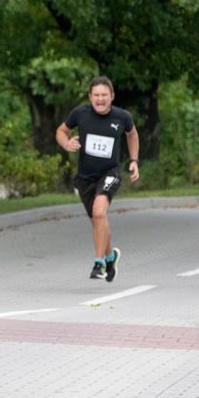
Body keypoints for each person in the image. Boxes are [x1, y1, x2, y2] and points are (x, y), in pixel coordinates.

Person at [56, 76, 139, 282]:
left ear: (112, 96)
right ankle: (111, 256)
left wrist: (134, 160)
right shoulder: (80, 114)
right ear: (90, 97)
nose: (100, 99)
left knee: (99, 212)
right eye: (96, 95)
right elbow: (61, 131)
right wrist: (66, 144)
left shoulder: (122, 117)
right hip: (85, 178)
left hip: (110, 173)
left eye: (104, 95)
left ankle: (99, 263)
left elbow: (132, 134)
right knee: (98, 220)